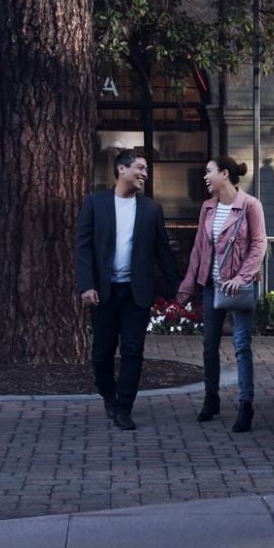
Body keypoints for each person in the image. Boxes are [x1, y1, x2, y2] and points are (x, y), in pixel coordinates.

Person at [75, 150, 178, 430]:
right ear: (121, 169)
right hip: (104, 293)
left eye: (146, 168)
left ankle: (124, 407)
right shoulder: (95, 203)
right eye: (139, 167)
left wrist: (179, 285)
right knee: (101, 352)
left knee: (133, 351)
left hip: (137, 292)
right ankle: (109, 395)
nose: (144, 173)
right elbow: (82, 248)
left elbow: (161, 250)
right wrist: (86, 285)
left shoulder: (151, 209)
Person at [177, 156, 267, 433]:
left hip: (239, 287)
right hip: (212, 285)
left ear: (224, 174)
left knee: (241, 346)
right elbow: (199, 249)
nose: (205, 177)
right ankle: (211, 397)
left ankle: (245, 405)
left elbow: (258, 244)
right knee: (208, 345)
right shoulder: (207, 207)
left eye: (209, 172)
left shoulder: (250, 205)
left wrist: (241, 278)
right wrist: (188, 285)